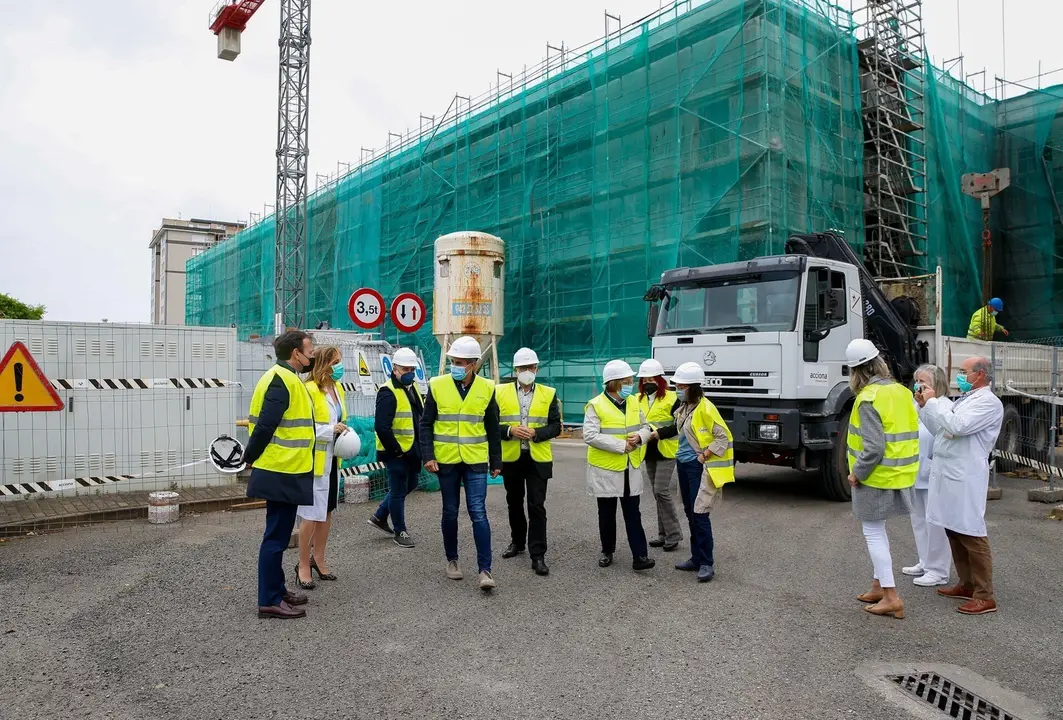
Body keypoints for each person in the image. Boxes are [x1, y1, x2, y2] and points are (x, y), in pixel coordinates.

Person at [915, 356, 1003, 615]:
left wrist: (933, 402)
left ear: (980, 374)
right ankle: (967, 583)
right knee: (953, 530)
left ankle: (985, 595)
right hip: (950, 473)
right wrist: (925, 407)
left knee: (971, 532)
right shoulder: (965, 399)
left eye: (964, 372)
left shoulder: (988, 403)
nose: (960, 376)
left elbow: (958, 426)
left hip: (966, 475)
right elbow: (941, 430)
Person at [244, 330, 317, 619]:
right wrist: (249, 457)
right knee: (275, 537)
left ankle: (278, 589)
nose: (313, 355)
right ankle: (269, 600)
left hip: (287, 467)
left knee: (280, 533)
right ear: (295, 353)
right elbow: (266, 425)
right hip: (280, 469)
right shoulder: (281, 380)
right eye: (309, 350)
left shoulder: (286, 377)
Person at [845, 339, 919, 620]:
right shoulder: (902, 392)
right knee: (879, 531)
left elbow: (873, 447)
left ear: (855, 372)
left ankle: (891, 596)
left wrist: (857, 473)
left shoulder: (868, 398)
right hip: (901, 472)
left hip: (875, 477)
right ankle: (879, 587)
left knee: (873, 533)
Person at [421, 335, 502, 591]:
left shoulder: (487, 388)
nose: (455, 366)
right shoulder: (437, 385)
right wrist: (428, 455)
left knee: (478, 512)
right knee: (450, 511)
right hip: (446, 460)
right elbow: (426, 424)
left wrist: (496, 460)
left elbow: (492, 426)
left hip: (475, 459)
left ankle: (485, 570)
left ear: (473, 364)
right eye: (453, 361)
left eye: (460, 362)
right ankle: (452, 560)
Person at [653, 361, 734, 583]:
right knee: (690, 511)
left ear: (694, 387)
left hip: (696, 466)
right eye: (677, 386)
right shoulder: (686, 407)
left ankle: (707, 562)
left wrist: (704, 455)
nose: (677, 389)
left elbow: (723, 437)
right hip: (684, 463)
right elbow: (679, 430)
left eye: (681, 386)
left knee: (700, 513)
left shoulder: (706, 408)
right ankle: (696, 558)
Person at [583, 360, 656, 572]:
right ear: (614, 383)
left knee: (633, 513)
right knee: (606, 513)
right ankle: (607, 550)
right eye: (627, 381)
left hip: (630, 466)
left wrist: (640, 437)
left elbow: (646, 426)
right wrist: (620, 445)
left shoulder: (633, 402)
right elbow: (590, 435)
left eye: (630, 381)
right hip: (606, 468)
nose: (631, 385)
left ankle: (640, 556)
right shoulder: (596, 404)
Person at [497, 347, 562, 576]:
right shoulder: (499, 392)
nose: (527, 371)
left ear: (536, 369)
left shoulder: (549, 393)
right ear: (515, 369)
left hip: (538, 459)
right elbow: (490, 424)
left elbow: (556, 426)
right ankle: (517, 542)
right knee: (514, 503)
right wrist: (510, 430)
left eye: (530, 367)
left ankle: (538, 555)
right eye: (522, 367)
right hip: (511, 457)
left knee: (536, 505)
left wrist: (536, 433)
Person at [294, 346, 348, 590]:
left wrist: (343, 430)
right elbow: (301, 428)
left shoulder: (337, 389)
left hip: (332, 460)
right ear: (324, 364)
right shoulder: (308, 390)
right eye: (335, 362)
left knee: (326, 513)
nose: (339, 367)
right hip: (314, 462)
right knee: (310, 516)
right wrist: (329, 430)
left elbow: (339, 419)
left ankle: (319, 559)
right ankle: (302, 564)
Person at [901, 364, 953, 588]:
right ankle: (925, 561)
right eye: (917, 381)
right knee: (919, 521)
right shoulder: (915, 405)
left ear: (937, 384)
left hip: (934, 472)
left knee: (936, 525)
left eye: (923, 382)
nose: (918, 385)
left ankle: (938, 570)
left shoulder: (944, 406)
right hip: (915, 472)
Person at [369, 347, 425, 549]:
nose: (409, 372)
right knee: (399, 489)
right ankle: (400, 531)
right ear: (394, 369)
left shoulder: (412, 387)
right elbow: (381, 427)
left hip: (411, 450)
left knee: (410, 484)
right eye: (405, 369)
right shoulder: (387, 392)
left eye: (412, 369)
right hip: (396, 452)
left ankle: (380, 515)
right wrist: (396, 451)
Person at [636, 358, 683, 552]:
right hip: (648, 451)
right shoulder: (638, 399)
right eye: (645, 380)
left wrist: (659, 433)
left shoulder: (673, 398)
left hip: (666, 450)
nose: (648, 383)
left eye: (652, 379)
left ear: (660, 380)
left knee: (661, 490)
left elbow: (680, 424)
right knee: (657, 493)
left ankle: (674, 534)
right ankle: (663, 534)